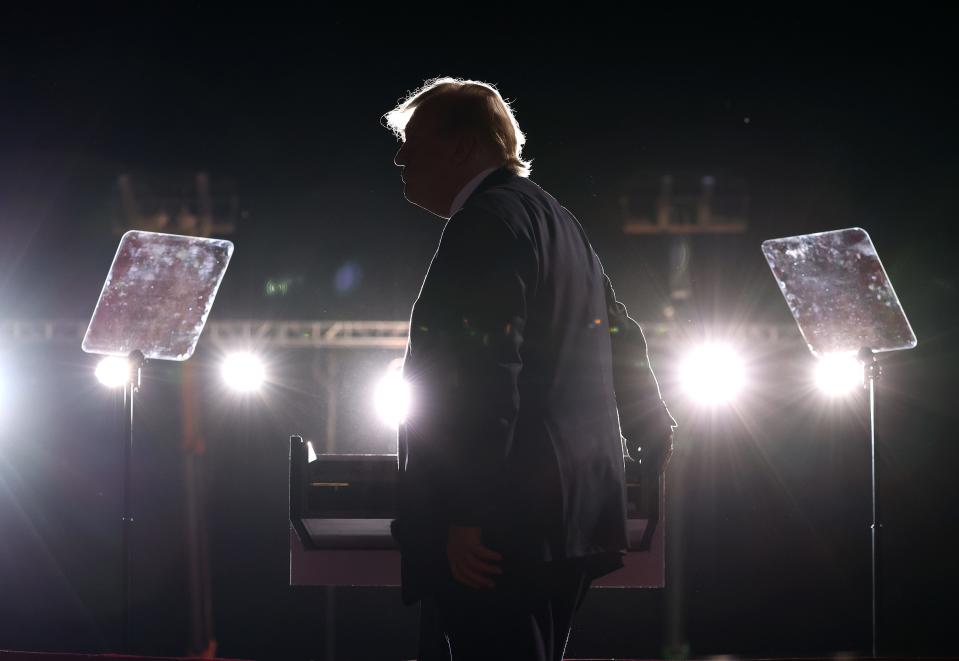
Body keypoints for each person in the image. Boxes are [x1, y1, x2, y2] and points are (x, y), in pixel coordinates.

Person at [383, 77, 675, 661]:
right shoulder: (558, 222)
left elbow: (484, 375)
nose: (400, 157)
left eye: (413, 141)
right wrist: (651, 434)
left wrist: (469, 511)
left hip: (501, 530)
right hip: (566, 523)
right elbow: (620, 333)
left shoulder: (486, 223)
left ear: (463, 147)